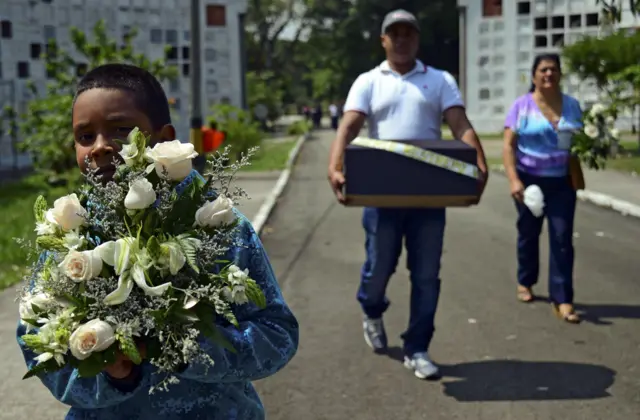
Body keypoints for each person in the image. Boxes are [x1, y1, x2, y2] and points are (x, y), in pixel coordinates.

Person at [16, 63, 299, 419]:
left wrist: (186, 351)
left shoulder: (216, 225)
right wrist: (113, 375)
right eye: (85, 136)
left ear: (163, 137)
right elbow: (38, 344)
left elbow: (276, 335)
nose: (101, 147)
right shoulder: (68, 236)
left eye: (120, 130)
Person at [327, 9, 488, 379]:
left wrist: (479, 160)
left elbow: (459, 123)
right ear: (383, 40)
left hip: (429, 196)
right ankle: (371, 309)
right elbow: (348, 127)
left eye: (408, 34)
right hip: (382, 196)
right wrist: (334, 166)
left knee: (427, 275)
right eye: (394, 34)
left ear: (417, 39)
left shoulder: (439, 80)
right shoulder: (369, 81)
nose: (401, 40)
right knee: (378, 268)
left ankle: (417, 347)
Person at [502, 53, 584, 324]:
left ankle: (562, 299)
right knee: (528, 232)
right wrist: (514, 179)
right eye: (543, 70)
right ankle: (525, 281)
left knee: (561, 239)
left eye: (553, 70)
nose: (549, 74)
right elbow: (508, 145)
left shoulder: (572, 106)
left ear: (560, 74)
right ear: (534, 75)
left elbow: (582, 142)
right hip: (530, 179)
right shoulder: (521, 106)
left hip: (561, 181)